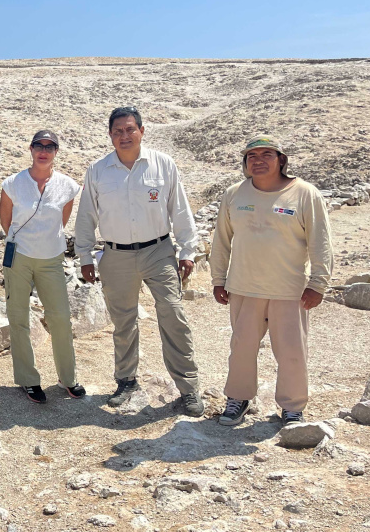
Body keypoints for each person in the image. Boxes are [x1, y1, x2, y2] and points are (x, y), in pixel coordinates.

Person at [75, 107, 204, 416]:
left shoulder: (163, 164)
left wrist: (187, 250)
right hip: (115, 254)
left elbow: (180, 210)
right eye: (117, 131)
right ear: (110, 135)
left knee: (172, 313)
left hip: (158, 250)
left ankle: (188, 388)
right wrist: (85, 255)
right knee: (123, 321)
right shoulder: (98, 171)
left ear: (142, 131)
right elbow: (86, 216)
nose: (124, 136)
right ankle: (126, 381)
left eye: (130, 129)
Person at [210, 135, 333, 427]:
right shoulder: (234, 194)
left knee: (291, 351)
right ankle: (237, 399)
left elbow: (321, 242)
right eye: (252, 156)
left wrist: (318, 283)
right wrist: (218, 278)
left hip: (289, 291)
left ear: (281, 160)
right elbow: (221, 241)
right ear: (245, 163)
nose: (259, 160)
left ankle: (292, 408)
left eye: (267, 154)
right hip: (243, 286)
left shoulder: (305, 194)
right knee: (241, 347)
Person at [0, 131, 86, 403]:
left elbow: (62, 220)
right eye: (39, 145)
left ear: (56, 151)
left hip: (51, 259)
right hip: (19, 257)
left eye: (50, 146)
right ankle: (28, 379)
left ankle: (68, 377)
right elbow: (6, 221)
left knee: (60, 317)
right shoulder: (13, 183)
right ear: (31, 148)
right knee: (19, 318)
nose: (43, 151)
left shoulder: (67, 186)